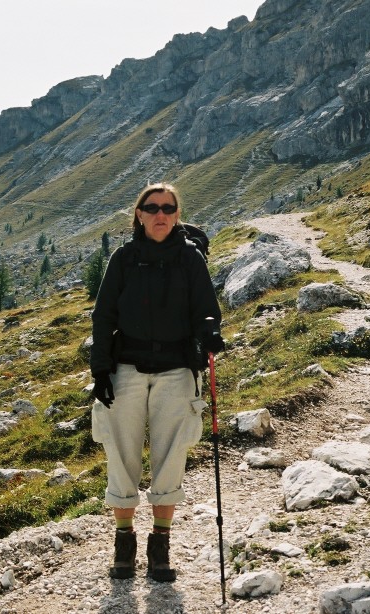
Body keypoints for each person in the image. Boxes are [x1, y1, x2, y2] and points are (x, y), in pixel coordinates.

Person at [90, 182, 224, 582]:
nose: (160, 214)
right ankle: (124, 543)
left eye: (168, 208)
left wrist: (210, 333)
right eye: (152, 207)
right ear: (140, 214)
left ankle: (160, 545)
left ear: (177, 214)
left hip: (176, 369)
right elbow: (103, 316)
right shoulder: (125, 258)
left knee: (171, 456)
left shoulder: (190, 259)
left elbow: (206, 309)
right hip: (126, 367)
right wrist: (100, 370)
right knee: (121, 454)